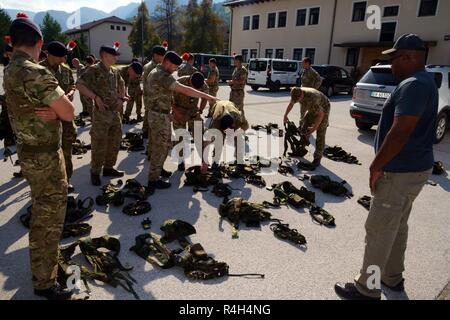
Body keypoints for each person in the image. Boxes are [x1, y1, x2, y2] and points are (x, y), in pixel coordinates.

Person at [335, 34, 438, 300]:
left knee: (380, 229)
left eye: (394, 59)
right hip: (414, 169)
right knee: (397, 226)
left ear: (409, 57)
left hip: (399, 171)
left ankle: (366, 290)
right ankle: (392, 280)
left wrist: (376, 166)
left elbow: (401, 130)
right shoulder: (425, 81)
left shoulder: (414, 84)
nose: (391, 65)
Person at [4, 13, 75, 299]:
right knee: (49, 219)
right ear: (39, 42)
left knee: (41, 211)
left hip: (28, 152)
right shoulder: (37, 72)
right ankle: (45, 282)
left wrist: (53, 113)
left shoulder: (10, 69)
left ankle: (44, 265)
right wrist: (58, 115)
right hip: (45, 156)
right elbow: (69, 112)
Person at [146, 51, 217, 192]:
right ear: (167, 62)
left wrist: (200, 109)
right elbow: (184, 90)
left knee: (165, 145)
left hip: (166, 114)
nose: (176, 70)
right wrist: (208, 97)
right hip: (162, 114)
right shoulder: (162, 75)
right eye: (175, 67)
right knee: (162, 146)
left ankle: (159, 170)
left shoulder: (161, 72)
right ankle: (153, 180)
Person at [76, 43, 127, 186]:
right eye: (114, 55)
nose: (116, 58)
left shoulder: (114, 71)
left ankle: (109, 167)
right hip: (101, 114)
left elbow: (122, 84)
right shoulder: (94, 70)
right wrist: (95, 98)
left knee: (115, 141)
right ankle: (95, 172)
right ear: (104, 55)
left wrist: (121, 99)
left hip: (114, 113)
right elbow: (79, 84)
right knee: (99, 143)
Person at [40, 41, 77, 192]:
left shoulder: (66, 70)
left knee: (66, 152)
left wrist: (70, 93)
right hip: (46, 123)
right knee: (48, 156)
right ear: (50, 55)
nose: (64, 60)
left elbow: (73, 85)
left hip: (65, 120)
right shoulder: (39, 70)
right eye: (61, 57)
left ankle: (66, 181)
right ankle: (48, 187)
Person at [283, 87, 330, 168]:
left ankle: (317, 158)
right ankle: (301, 150)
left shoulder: (313, 99)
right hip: (313, 108)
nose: (297, 102)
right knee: (304, 127)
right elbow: (291, 104)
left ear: (301, 95)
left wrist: (314, 127)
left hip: (324, 107)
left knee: (320, 132)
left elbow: (321, 114)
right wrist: (285, 115)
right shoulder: (296, 93)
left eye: (298, 100)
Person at [172, 72, 209, 171]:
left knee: (199, 135)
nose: (195, 91)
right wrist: (176, 112)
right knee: (180, 137)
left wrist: (200, 111)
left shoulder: (203, 85)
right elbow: (169, 99)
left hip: (193, 111)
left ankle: (203, 159)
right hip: (179, 110)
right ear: (190, 79)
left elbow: (205, 98)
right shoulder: (179, 82)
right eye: (193, 88)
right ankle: (181, 161)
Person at [142, 45, 166, 137]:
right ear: (156, 55)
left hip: (157, 95)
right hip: (150, 95)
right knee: (149, 113)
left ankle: (147, 131)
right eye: (162, 55)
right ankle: (146, 131)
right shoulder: (149, 67)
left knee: (151, 113)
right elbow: (147, 84)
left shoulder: (159, 66)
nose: (163, 57)